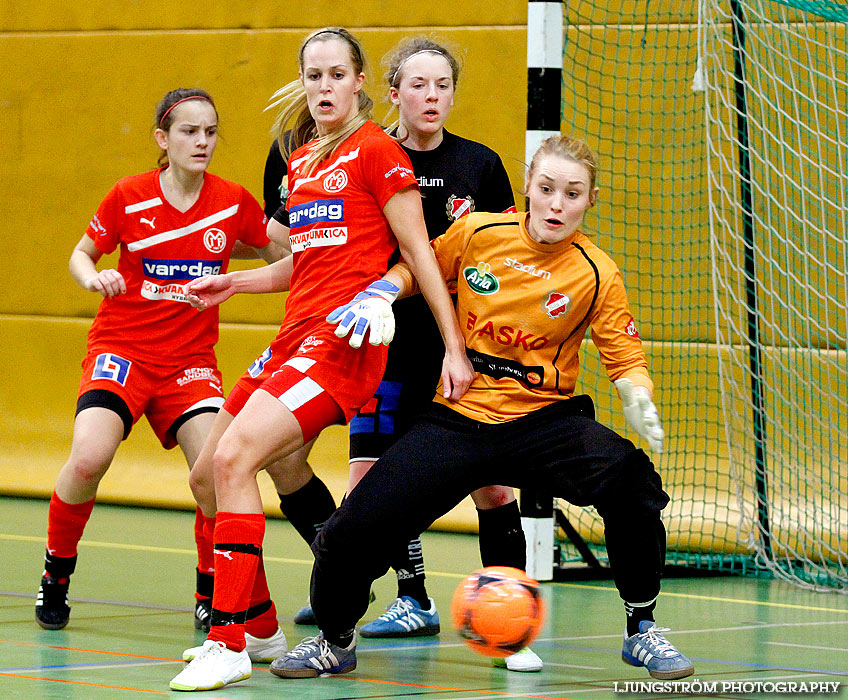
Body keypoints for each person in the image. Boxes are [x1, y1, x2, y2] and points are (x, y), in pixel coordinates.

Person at [270, 134, 695, 683]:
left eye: (572, 193)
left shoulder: (597, 273)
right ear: (528, 190)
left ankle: (643, 629)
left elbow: (623, 353)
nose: (557, 205)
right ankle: (334, 640)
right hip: (459, 415)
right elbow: (419, 267)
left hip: (544, 421)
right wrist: (381, 291)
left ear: (591, 200)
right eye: (547, 189)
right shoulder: (479, 232)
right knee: (354, 526)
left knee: (634, 485)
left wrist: (637, 394)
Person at [168, 27, 473, 692]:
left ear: (361, 81)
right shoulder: (302, 161)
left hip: (341, 346)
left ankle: (227, 641)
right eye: (314, 76)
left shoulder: (379, 153)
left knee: (233, 460)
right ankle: (261, 626)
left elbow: (421, 255)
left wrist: (454, 348)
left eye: (337, 74)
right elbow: (301, 265)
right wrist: (235, 281)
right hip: (291, 338)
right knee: (204, 479)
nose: (325, 87)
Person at [263, 35, 540, 673]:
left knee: (492, 488)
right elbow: (306, 237)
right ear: (391, 92)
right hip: (380, 349)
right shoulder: (366, 154)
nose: (431, 97)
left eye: (443, 86)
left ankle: (512, 627)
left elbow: (502, 255)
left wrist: (481, 317)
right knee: (371, 493)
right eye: (418, 85)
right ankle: (399, 596)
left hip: (456, 350)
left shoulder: (481, 165)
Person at [34, 88, 283, 633]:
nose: (202, 142)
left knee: (214, 470)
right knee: (87, 459)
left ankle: (207, 586)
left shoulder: (233, 201)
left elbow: (285, 252)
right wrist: (93, 277)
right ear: (162, 139)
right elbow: (81, 253)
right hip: (121, 349)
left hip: (190, 362)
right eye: (190, 132)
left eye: (211, 132)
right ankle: (56, 573)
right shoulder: (128, 195)